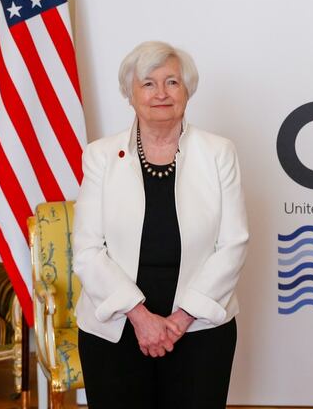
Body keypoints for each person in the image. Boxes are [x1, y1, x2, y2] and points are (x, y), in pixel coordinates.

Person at [73, 41, 248, 408]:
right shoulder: (101, 156)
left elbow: (233, 244)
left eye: (172, 82)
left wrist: (181, 319)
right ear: (130, 94)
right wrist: (140, 317)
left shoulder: (219, 153)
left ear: (187, 90)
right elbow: (88, 251)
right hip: (115, 329)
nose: (161, 94)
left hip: (199, 328)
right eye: (148, 84)